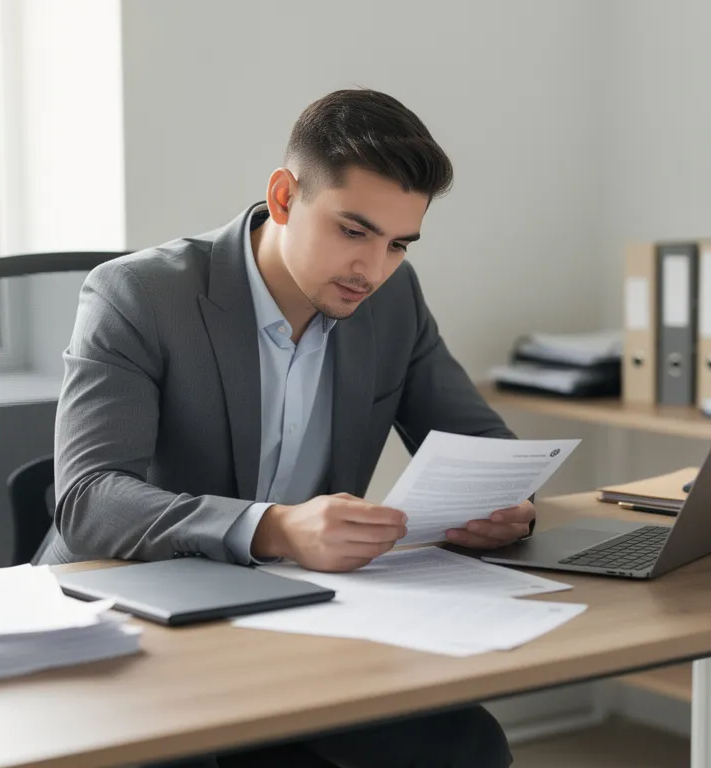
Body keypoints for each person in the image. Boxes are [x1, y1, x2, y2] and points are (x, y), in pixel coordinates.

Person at [39, 88, 529, 767]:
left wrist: (508, 505)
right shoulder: (139, 295)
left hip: (299, 619)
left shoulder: (392, 302)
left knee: (463, 746)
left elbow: (480, 444)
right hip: (131, 615)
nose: (373, 269)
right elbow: (88, 499)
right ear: (283, 197)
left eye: (399, 245)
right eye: (353, 231)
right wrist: (274, 528)